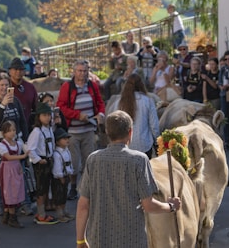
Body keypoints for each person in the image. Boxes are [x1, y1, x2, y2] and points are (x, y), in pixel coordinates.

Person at [76, 110, 182, 248]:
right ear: (130, 132)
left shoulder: (93, 160)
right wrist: (171, 206)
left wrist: (80, 240)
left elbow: (83, 205)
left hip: (98, 240)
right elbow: (148, 205)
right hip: (132, 240)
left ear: (107, 132)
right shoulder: (139, 160)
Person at [57, 60, 105, 201]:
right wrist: (77, 115)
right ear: (74, 71)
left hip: (89, 129)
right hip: (73, 131)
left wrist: (101, 114)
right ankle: (73, 186)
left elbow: (100, 103)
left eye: (85, 71)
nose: (82, 74)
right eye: (79, 71)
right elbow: (61, 106)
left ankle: (85, 189)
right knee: (74, 162)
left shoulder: (92, 86)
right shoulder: (68, 87)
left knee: (89, 160)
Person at [110, 73, 159, 157]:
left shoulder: (119, 102)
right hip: (144, 146)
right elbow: (154, 125)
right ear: (141, 85)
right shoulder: (148, 101)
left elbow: (114, 123)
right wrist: (157, 141)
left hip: (124, 146)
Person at [26, 102, 58, 224]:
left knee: (46, 187)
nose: (47, 117)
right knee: (41, 189)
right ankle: (41, 215)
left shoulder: (49, 129)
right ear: (39, 116)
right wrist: (39, 159)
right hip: (41, 163)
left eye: (49, 115)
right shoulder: (37, 131)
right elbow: (30, 149)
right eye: (44, 115)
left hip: (49, 160)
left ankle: (42, 212)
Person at [0, 121, 28, 228]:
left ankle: (7, 215)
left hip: (15, 168)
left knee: (16, 190)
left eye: (13, 130)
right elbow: (8, 157)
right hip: (7, 169)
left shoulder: (18, 143)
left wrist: (20, 165)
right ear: (4, 133)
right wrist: (23, 157)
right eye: (9, 131)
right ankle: (12, 217)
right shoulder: (2, 145)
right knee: (9, 191)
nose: (12, 133)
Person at [0, 73, 28, 143]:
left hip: (17, 140)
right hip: (0, 141)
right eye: (2, 85)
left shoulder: (15, 100)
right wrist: (2, 105)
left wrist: (26, 139)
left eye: (6, 85)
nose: (4, 88)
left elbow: (22, 121)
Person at [51, 127, 74, 223]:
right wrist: (60, 176)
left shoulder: (67, 151)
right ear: (57, 141)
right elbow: (57, 167)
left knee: (64, 195)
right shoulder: (57, 154)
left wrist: (70, 172)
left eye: (67, 138)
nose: (67, 140)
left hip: (66, 176)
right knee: (58, 196)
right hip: (59, 178)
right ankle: (60, 214)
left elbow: (70, 162)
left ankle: (64, 211)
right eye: (64, 139)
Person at [7, 58, 38, 127]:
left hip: (28, 124)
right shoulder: (4, 87)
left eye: (21, 69)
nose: (18, 72)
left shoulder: (30, 87)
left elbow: (36, 106)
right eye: (15, 69)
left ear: (24, 71)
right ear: (10, 71)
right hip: (10, 126)